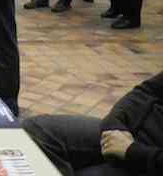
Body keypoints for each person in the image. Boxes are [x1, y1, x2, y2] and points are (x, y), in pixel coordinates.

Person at [24, 71, 163, 176]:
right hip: (129, 131)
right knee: (36, 130)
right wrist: (115, 126)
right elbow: (146, 91)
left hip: (149, 157)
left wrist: (132, 151)